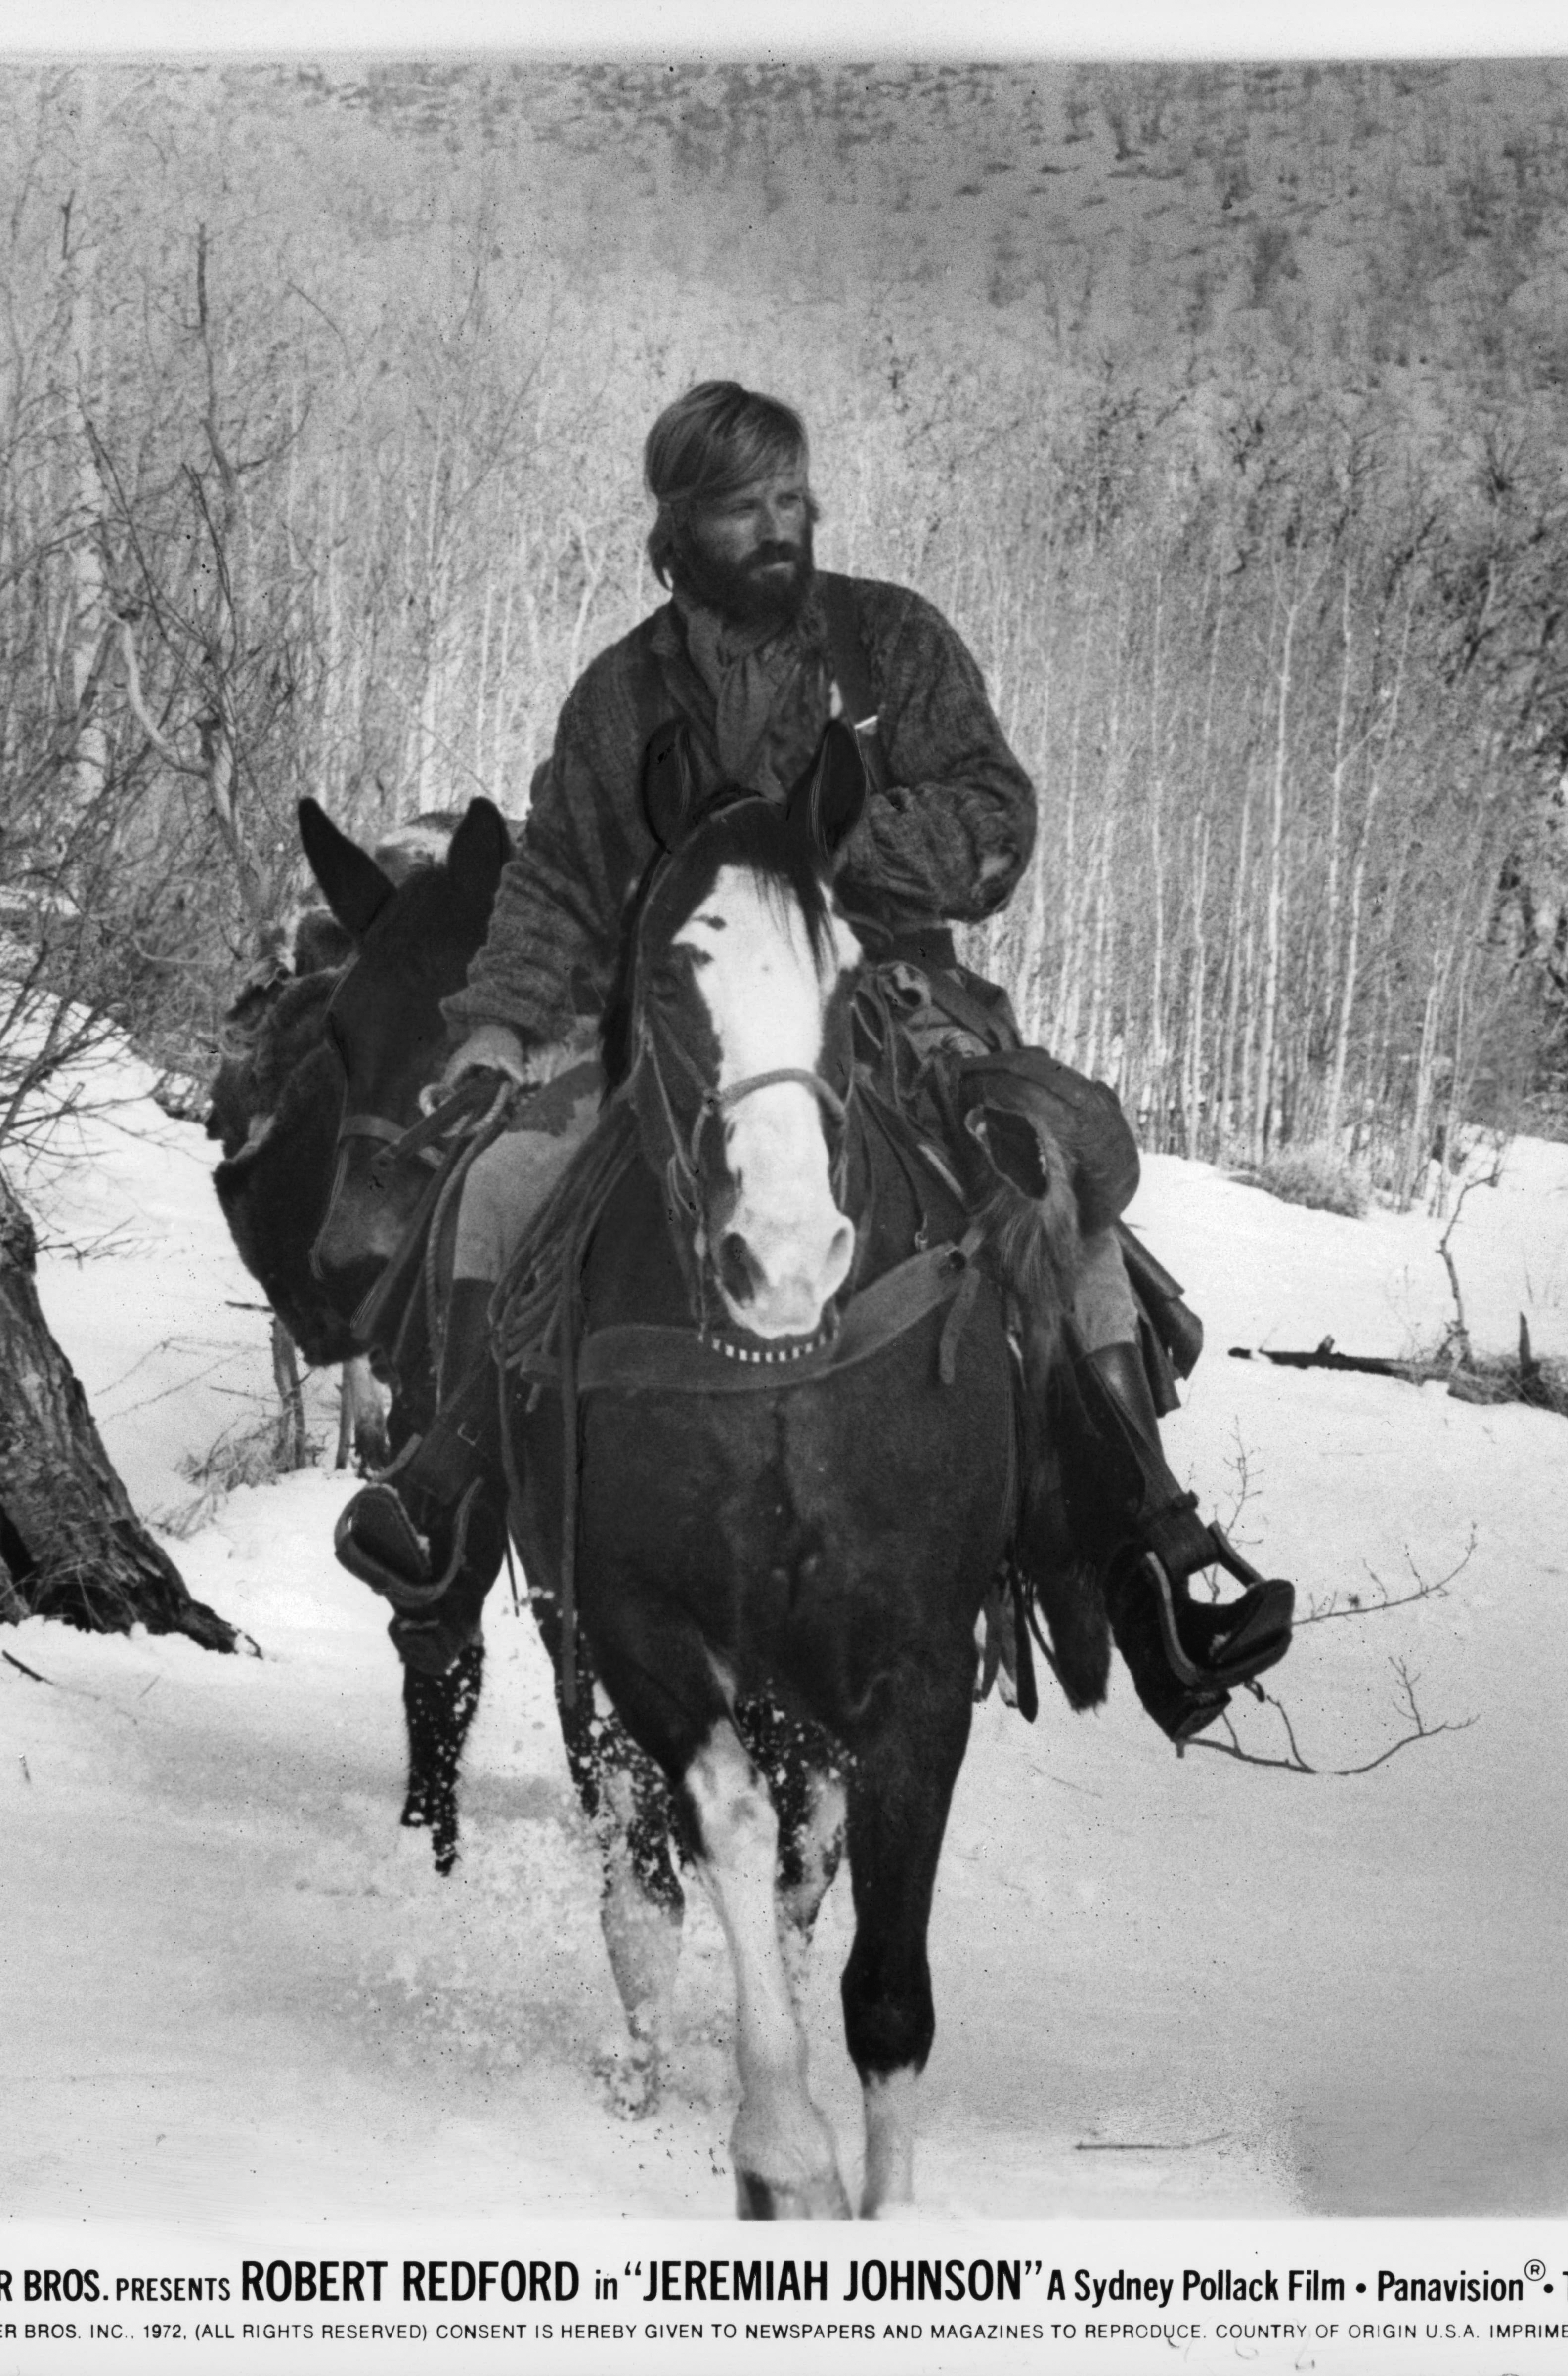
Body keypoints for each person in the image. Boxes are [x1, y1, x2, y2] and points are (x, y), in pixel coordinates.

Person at [335, 380, 1293, 1743]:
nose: (780, 527)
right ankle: (449, 1502)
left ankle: (1151, 1549)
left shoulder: (889, 641)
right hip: (680, 1011)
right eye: (744, 506)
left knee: (1053, 1198)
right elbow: (556, 877)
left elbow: (990, 815)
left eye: (791, 498)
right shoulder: (620, 694)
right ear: (677, 525)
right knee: (501, 1185)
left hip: (891, 992)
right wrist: (499, 1018)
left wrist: (821, 856)